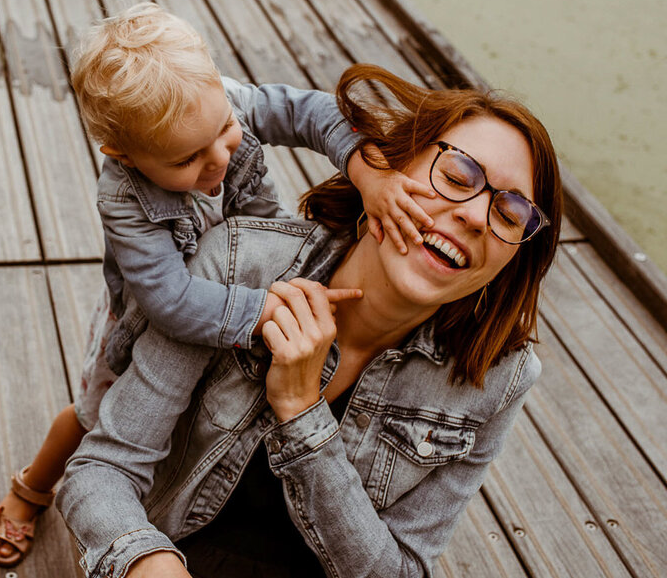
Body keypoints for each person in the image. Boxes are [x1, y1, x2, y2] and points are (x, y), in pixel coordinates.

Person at [57, 64, 562, 578]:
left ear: (514, 255)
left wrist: (301, 411)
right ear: (389, 165)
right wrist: (147, 561)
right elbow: (104, 469)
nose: (477, 216)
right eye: (457, 178)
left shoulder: (501, 377)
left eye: (509, 215)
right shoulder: (235, 264)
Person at [0, 4, 433, 565]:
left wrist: (366, 171)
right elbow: (171, 301)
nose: (220, 157)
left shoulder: (219, 104)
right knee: (97, 416)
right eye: (188, 159)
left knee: (198, 415)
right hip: (162, 319)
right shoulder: (123, 199)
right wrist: (264, 309)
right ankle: (32, 488)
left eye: (224, 131)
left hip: (243, 291)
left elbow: (313, 113)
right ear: (123, 154)